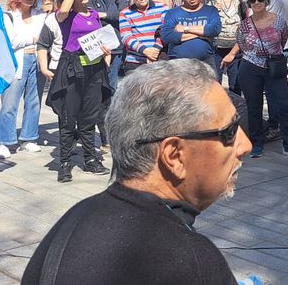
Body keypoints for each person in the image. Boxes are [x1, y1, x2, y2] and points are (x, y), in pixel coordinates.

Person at [22, 60, 250, 285]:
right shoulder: (191, 259)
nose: (245, 145)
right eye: (229, 131)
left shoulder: (73, 220)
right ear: (174, 156)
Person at [222, 0, 288, 158]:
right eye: (253, 0)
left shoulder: (279, 21)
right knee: (254, 107)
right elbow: (242, 44)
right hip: (250, 67)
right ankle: (256, 142)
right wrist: (256, 55)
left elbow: (283, 40)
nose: (257, 3)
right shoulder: (245, 24)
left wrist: (270, 54)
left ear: (267, 2)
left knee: (284, 106)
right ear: (249, 4)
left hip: (274, 67)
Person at [48, 0, 114, 183]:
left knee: (89, 117)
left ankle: (90, 159)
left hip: (94, 68)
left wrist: (106, 54)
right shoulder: (65, 15)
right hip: (71, 68)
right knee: (68, 117)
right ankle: (65, 162)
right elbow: (62, 11)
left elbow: (101, 39)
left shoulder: (93, 15)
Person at [0, 0, 45, 159]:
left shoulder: (40, 15)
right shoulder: (9, 17)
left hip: (37, 60)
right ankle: (4, 141)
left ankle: (29, 137)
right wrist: (34, 39)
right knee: (10, 103)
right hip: (16, 62)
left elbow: (47, 37)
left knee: (34, 101)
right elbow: (12, 41)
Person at [87, 0, 128, 148]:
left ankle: (107, 135)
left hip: (115, 50)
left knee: (110, 89)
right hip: (94, 50)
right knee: (93, 91)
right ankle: (90, 130)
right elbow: (86, 14)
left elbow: (123, 15)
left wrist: (102, 15)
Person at [161, 0, 223, 79]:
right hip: (178, 64)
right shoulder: (172, 13)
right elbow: (167, 36)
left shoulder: (211, 11)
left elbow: (214, 29)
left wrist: (186, 28)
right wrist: (203, 34)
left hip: (205, 62)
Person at [118, 0, 166, 77]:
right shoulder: (125, 13)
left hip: (158, 58)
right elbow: (126, 37)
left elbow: (165, 30)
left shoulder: (162, 7)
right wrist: (145, 51)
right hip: (134, 62)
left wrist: (155, 49)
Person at [213, 0, 247, 91]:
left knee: (235, 85)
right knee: (215, 84)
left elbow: (246, 20)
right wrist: (213, 11)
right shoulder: (212, 0)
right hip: (217, 48)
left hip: (235, 46)